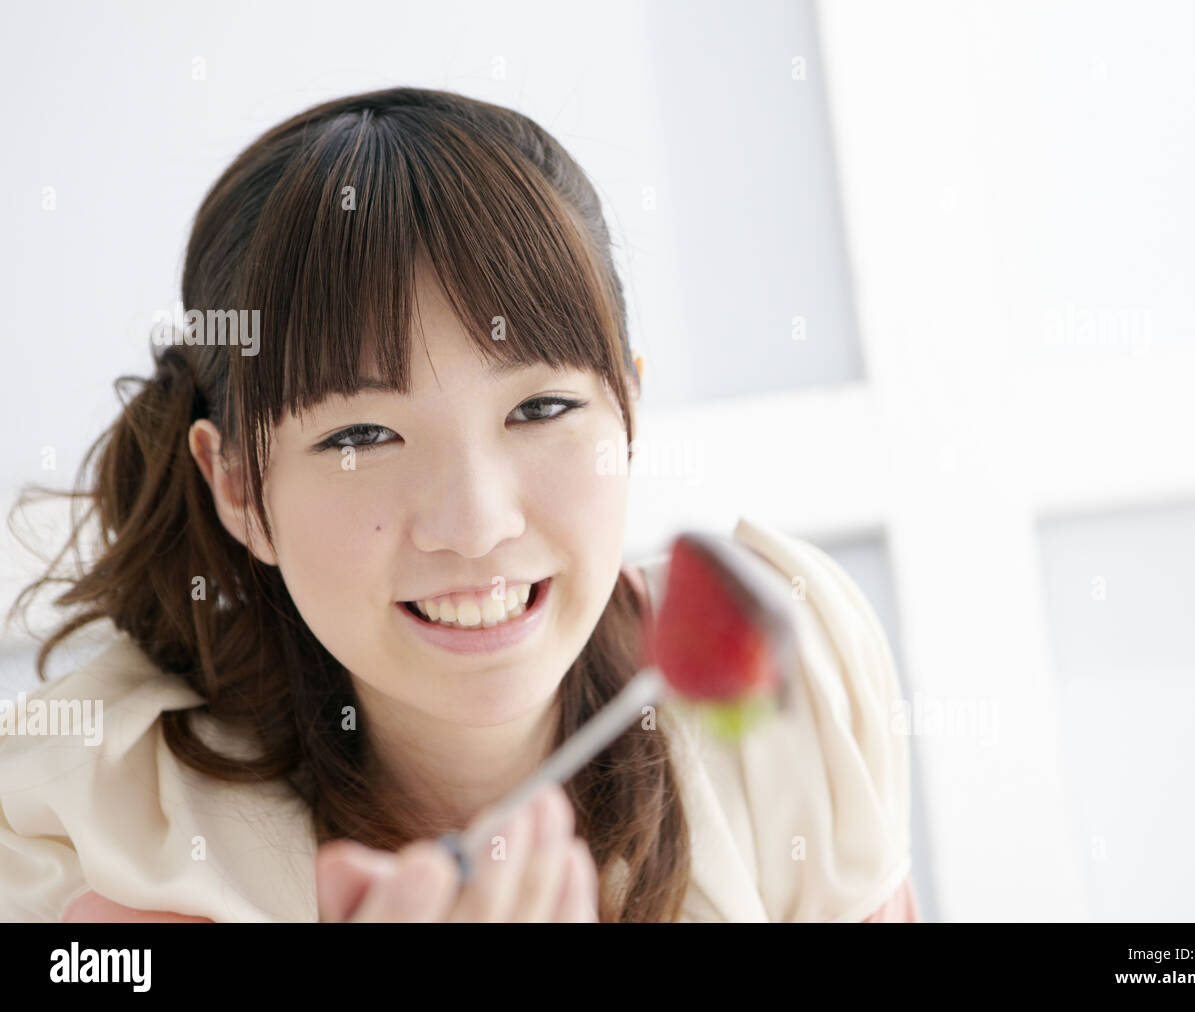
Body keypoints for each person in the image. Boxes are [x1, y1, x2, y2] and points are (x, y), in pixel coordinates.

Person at [0, 87, 918, 923]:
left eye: (541, 408)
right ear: (238, 486)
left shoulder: (785, 679)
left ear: (628, 412)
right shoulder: (97, 843)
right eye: (360, 437)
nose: (476, 526)